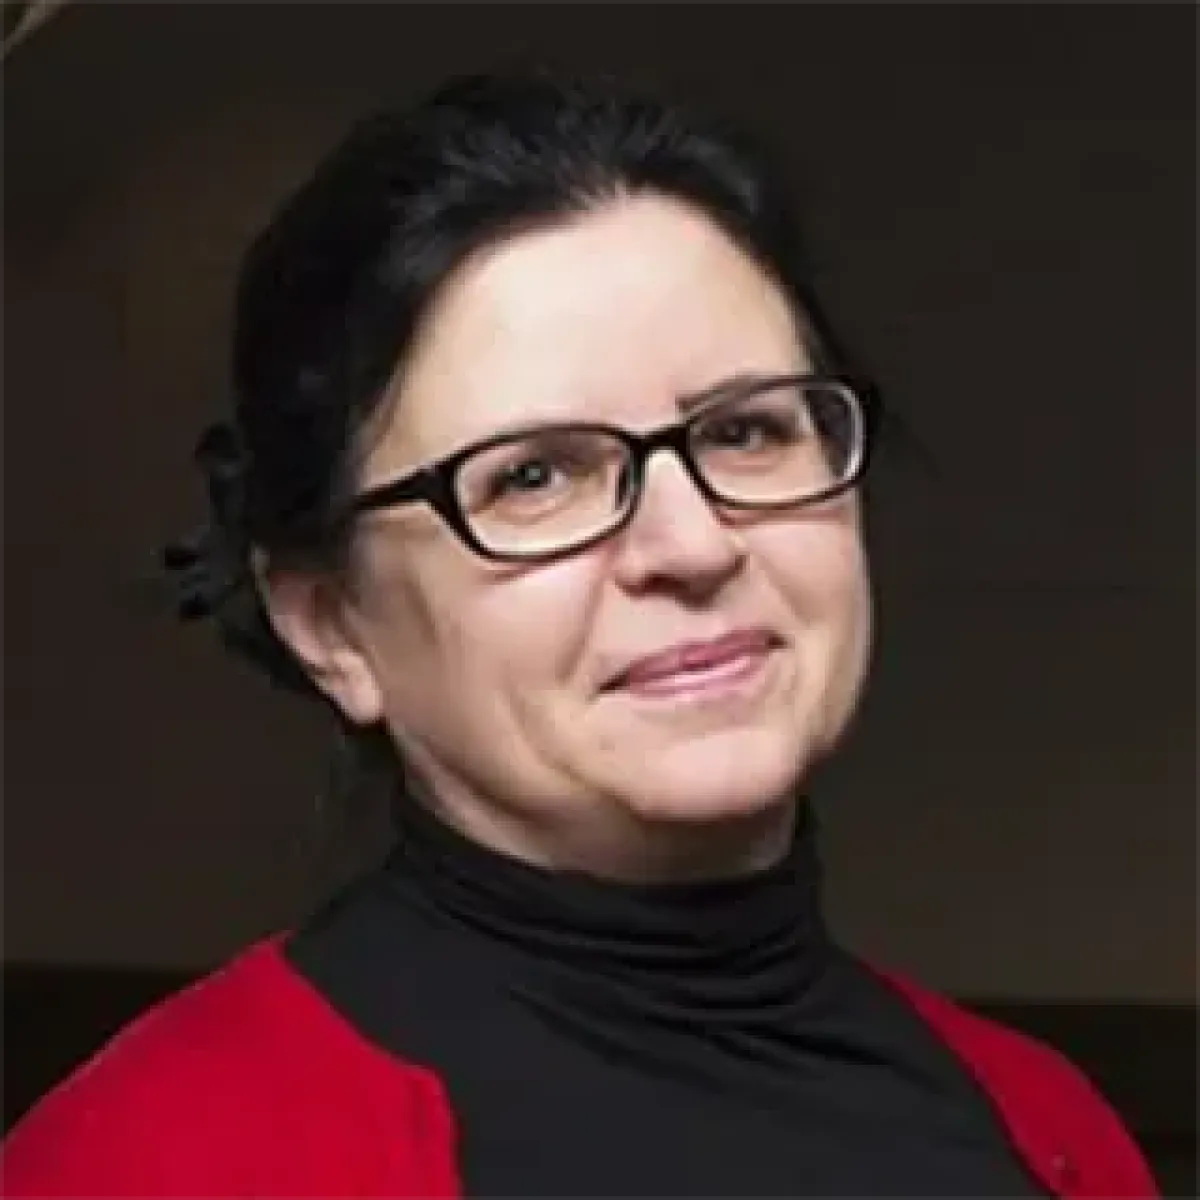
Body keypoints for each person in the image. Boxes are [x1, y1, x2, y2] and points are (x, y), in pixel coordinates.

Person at [0, 68, 1158, 1199]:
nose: (692, 545)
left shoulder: (1049, 1127)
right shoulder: (154, 1163)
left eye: (746, 431)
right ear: (330, 624)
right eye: (535, 475)